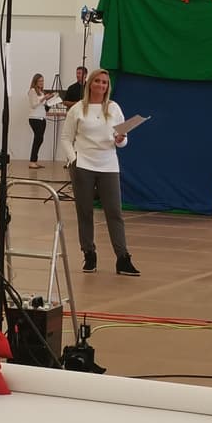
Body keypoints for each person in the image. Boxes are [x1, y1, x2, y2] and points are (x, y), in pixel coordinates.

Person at [60, 68, 139, 276]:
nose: (101, 85)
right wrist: (73, 159)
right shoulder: (77, 109)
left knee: (114, 212)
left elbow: (123, 140)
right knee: (85, 211)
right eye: (98, 81)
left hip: (108, 166)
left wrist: (120, 139)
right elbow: (66, 138)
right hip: (83, 165)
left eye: (105, 82)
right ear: (90, 84)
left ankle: (122, 258)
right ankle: (89, 254)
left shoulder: (113, 108)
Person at [27, 73, 55, 168]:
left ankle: (34, 161)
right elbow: (34, 105)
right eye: (39, 81)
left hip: (42, 118)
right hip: (35, 118)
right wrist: (44, 98)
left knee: (39, 139)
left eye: (42, 81)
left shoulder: (41, 92)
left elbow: (44, 107)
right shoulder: (32, 91)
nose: (41, 83)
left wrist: (51, 100)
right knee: (38, 139)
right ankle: (32, 161)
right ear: (35, 82)